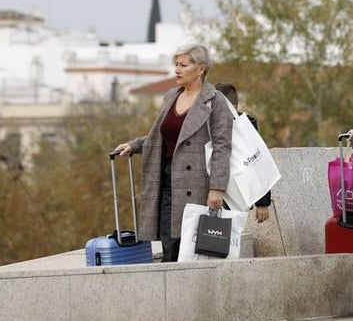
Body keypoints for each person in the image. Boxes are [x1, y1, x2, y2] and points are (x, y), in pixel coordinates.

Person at [115, 44, 235, 262]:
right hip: (167, 181)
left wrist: (217, 188)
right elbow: (161, 136)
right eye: (176, 65)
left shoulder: (215, 101)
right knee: (170, 242)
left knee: (194, 247)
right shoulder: (171, 96)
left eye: (183, 65)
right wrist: (134, 145)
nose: (177, 70)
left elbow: (222, 146)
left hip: (199, 185)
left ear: (200, 69)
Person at [213, 82, 271, 223]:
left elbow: (258, 162)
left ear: (234, 107)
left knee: (229, 237)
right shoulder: (207, 124)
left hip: (236, 193)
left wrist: (262, 203)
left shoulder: (246, 127)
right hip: (209, 192)